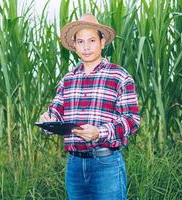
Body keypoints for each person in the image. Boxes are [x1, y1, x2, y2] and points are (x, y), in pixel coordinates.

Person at [39, 13, 140, 200]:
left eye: (92, 40)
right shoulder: (67, 80)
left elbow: (132, 120)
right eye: (80, 42)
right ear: (75, 46)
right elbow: (56, 113)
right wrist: (49, 121)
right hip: (74, 165)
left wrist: (99, 133)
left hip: (107, 164)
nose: (86, 47)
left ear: (102, 42)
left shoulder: (119, 76)